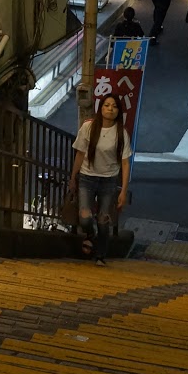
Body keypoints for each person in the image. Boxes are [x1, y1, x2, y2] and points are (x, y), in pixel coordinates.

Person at [70, 94, 132, 266]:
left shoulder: (121, 133)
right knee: (85, 217)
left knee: (103, 220)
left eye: (114, 106)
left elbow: (125, 163)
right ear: (101, 108)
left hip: (109, 180)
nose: (110, 109)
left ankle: (100, 255)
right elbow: (80, 153)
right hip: (87, 177)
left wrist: (124, 191)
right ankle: (90, 234)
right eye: (106, 105)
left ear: (118, 111)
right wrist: (73, 177)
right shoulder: (89, 127)